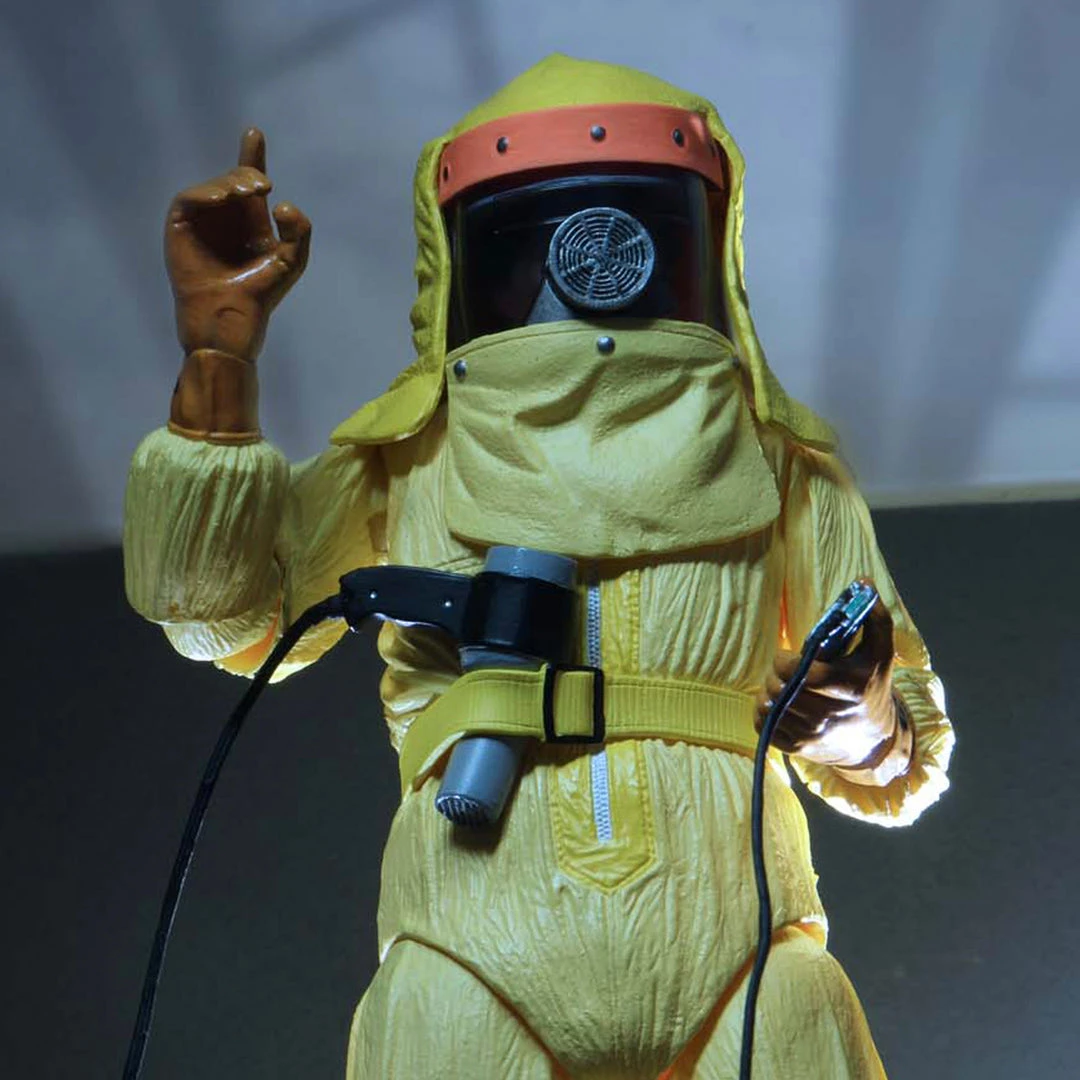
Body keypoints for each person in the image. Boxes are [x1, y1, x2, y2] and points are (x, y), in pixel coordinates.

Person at [124, 54, 954, 1080]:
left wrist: (862, 718)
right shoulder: (411, 456)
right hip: (467, 958)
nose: (587, 272)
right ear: (465, 258)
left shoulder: (778, 463)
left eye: (639, 225)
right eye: (534, 240)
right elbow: (223, 616)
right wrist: (217, 364)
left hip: (747, 953)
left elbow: (909, 760)